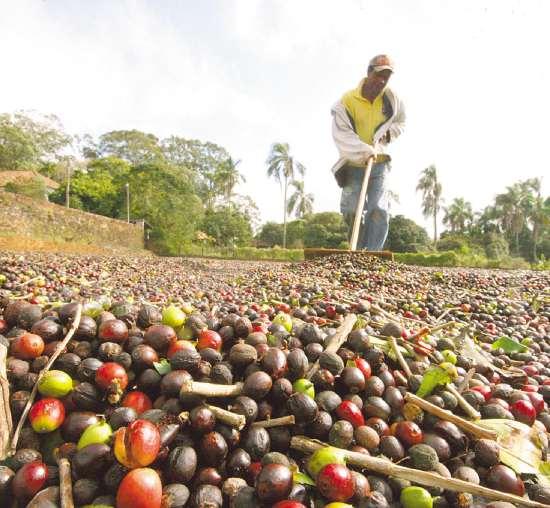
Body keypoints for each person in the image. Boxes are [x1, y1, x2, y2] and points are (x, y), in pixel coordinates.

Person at [331, 54, 406, 251]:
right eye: (379, 74)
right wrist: (365, 151)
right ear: (368, 72)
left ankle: (371, 254)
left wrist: (389, 134)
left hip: (379, 165)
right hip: (353, 165)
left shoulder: (391, 99)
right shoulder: (347, 101)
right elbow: (342, 135)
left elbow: (401, 122)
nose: (382, 80)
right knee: (350, 210)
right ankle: (358, 249)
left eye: (387, 77)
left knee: (379, 209)